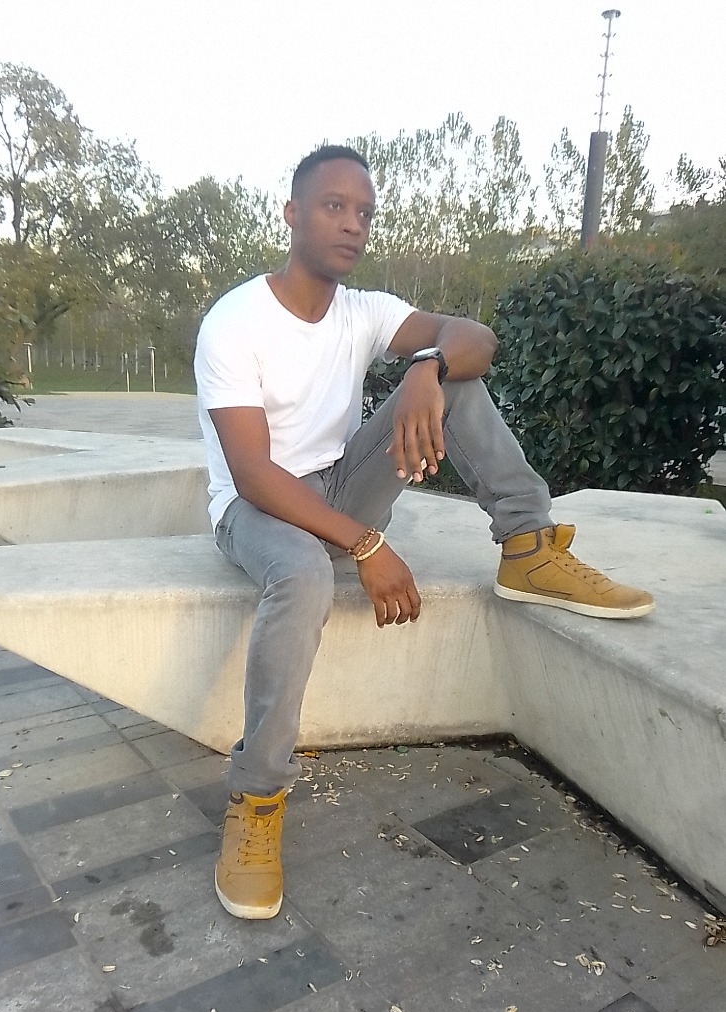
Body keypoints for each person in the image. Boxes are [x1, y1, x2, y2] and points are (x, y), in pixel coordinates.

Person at [194, 144, 654, 921]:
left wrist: (427, 365)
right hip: (255, 509)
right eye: (334, 206)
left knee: (457, 383)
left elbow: (479, 338)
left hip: (340, 482)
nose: (352, 224)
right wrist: (366, 545)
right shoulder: (236, 321)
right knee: (303, 574)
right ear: (293, 214)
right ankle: (256, 800)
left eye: (364, 212)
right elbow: (252, 473)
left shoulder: (365, 310)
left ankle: (527, 547)